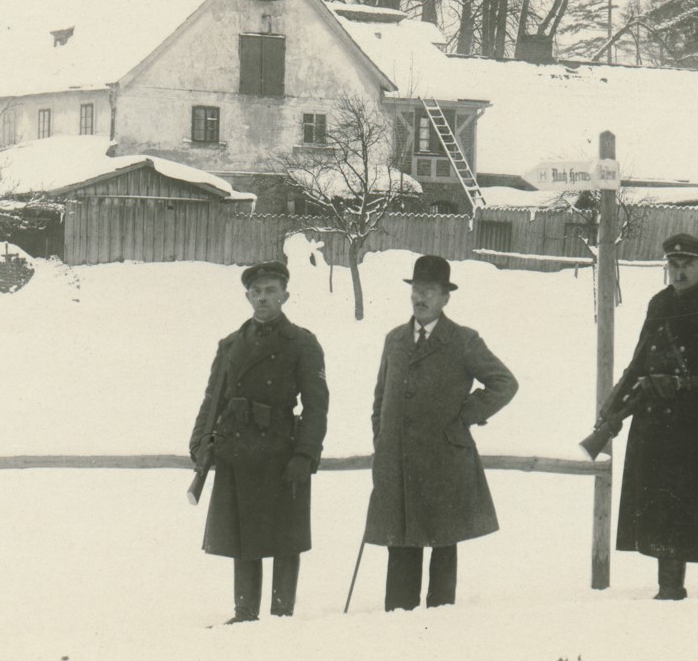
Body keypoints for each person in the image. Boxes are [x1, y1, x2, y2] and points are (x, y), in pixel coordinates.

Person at [598, 233, 698, 602]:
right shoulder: (659, 304)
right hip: (656, 422)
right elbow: (639, 362)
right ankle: (668, 591)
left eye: (688, 264)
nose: (680, 271)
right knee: (664, 506)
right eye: (674, 264)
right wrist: (612, 410)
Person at [363, 254, 519, 611]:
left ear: (445, 297)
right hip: (398, 462)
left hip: (443, 461)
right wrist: (382, 439)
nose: (421, 298)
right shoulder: (394, 340)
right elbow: (380, 397)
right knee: (401, 541)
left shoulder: (463, 340)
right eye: (417, 290)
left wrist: (465, 416)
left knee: (443, 541)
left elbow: (504, 383)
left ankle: (440, 624)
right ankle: (399, 618)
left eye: (430, 291)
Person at [188, 260, 329, 624]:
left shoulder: (302, 343)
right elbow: (212, 397)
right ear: (247, 296)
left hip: (282, 450)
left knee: (285, 537)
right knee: (242, 534)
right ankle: (244, 613)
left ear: (285, 295)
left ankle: (282, 613)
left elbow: (317, 404)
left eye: (270, 291)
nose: (263, 298)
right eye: (256, 292)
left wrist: (306, 453)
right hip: (237, 448)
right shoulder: (231, 344)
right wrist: (201, 443)